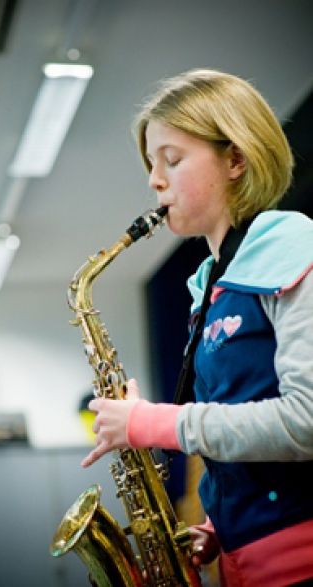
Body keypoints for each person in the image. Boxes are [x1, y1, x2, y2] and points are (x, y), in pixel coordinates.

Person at [81, 69, 313, 586]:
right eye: (150, 163)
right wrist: (216, 524)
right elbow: (243, 425)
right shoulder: (211, 285)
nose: (153, 179)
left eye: (173, 158)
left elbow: (306, 420)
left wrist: (152, 422)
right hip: (245, 558)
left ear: (235, 158)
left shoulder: (292, 246)